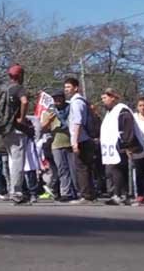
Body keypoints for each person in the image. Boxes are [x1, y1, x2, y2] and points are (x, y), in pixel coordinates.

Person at [99, 88, 141, 205]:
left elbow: (127, 128)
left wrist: (127, 145)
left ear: (113, 97)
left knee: (118, 170)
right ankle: (118, 194)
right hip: (110, 148)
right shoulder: (110, 112)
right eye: (102, 98)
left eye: (105, 98)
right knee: (113, 171)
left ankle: (122, 195)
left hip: (120, 145)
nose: (103, 100)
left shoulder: (122, 110)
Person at [0, 64, 31, 205]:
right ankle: (17, 193)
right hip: (16, 129)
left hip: (4, 129)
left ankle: (13, 190)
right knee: (18, 160)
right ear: (20, 75)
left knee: (12, 161)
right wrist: (22, 118)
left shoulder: (5, 90)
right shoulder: (19, 89)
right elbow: (25, 101)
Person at [40, 90, 76, 201]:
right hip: (56, 144)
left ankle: (77, 191)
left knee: (74, 169)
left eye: (59, 98)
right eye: (55, 98)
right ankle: (66, 193)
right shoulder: (49, 112)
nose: (57, 101)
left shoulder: (71, 109)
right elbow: (42, 129)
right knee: (62, 170)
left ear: (63, 98)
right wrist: (49, 121)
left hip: (71, 142)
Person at [65, 77, 96, 205]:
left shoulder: (77, 102)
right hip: (85, 138)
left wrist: (75, 141)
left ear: (76, 88)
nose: (66, 89)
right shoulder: (80, 101)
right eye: (65, 87)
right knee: (86, 167)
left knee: (81, 167)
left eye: (69, 87)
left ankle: (86, 195)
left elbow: (77, 122)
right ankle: (90, 194)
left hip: (82, 139)